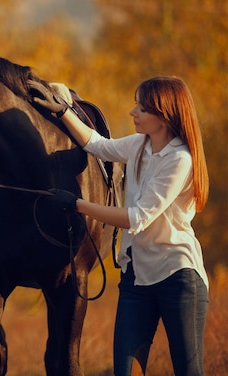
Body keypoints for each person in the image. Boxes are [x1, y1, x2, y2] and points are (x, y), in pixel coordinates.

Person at [27, 76, 209, 376]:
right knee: (124, 371)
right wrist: (63, 112)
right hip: (135, 278)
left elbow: (136, 218)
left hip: (178, 277)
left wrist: (77, 205)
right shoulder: (140, 145)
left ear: (164, 116)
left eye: (142, 108)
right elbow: (96, 144)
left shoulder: (179, 160)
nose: (132, 112)